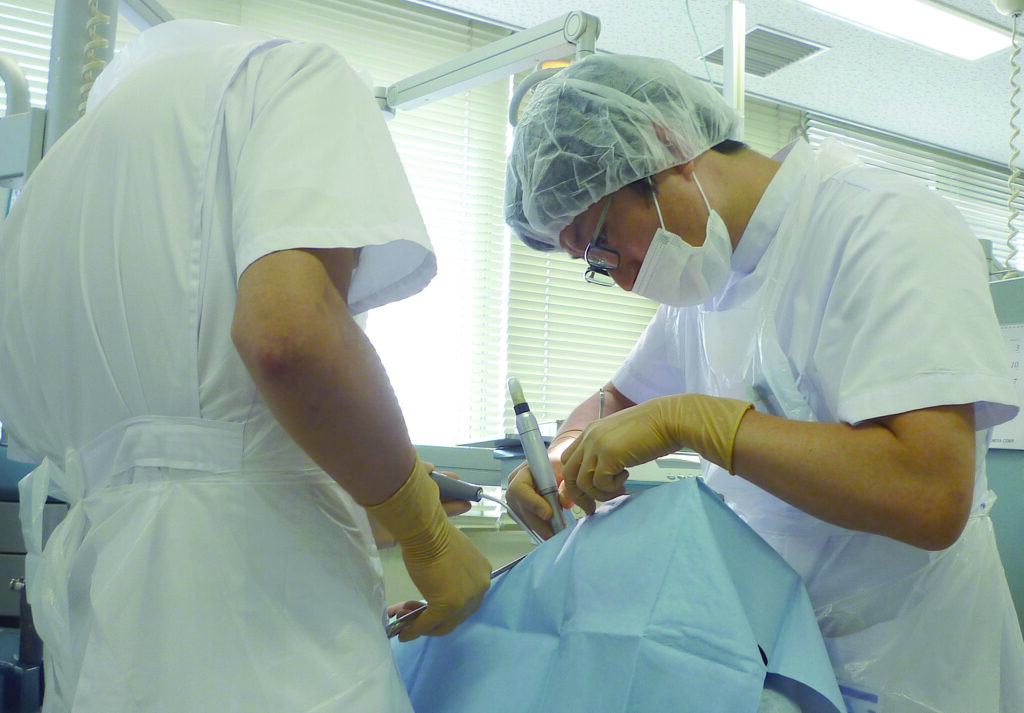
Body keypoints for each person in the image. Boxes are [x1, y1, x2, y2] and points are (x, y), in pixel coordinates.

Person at [503, 54, 1024, 713]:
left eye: (601, 240)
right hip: (780, 651)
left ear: (665, 144)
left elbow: (930, 493)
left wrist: (697, 421)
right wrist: (562, 453)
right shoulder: (703, 278)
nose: (624, 279)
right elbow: (617, 400)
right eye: (595, 266)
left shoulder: (884, 224)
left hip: (914, 657)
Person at [0, 19, 490, 713]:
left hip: (110, 628)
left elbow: (176, 460)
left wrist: (350, 495)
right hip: (264, 626)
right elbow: (289, 337)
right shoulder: (293, 76)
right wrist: (422, 528)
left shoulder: (47, 185)